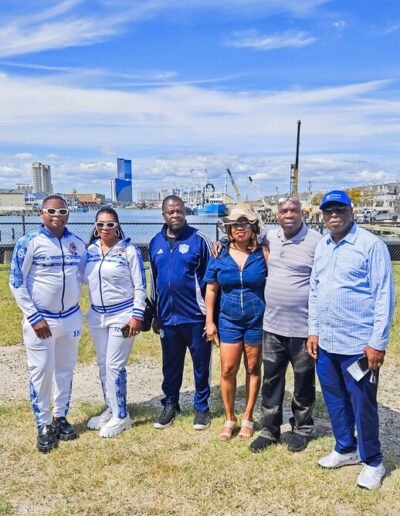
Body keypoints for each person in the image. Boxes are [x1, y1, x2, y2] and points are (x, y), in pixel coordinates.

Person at [307, 190, 395, 490]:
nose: (334, 215)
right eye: (328, 211)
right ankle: (345, 447)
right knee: (334, 399)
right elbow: (315, 291)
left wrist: (377, 343)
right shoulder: (322, 246)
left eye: (340, 210)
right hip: (327, 342)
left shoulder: (371, 245)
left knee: (362, 404)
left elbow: (384, 296)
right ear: (322, 215)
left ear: (351, 211)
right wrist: (313, 330)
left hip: (358, 345)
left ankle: (373, 460)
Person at [9, 196, 87, 453]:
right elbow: (16, 282)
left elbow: (87, 275)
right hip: (41, 320)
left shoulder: (77, 243)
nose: (57, 215)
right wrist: (34, 317)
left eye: (62, 211)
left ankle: (60, 415)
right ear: (41, 213)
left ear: (68, 214)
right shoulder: (28, 242)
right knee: (41, 372)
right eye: (51, 211)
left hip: (71, 317)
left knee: (65, 370)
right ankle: (43, 423)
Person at [250, 196, 322, 453]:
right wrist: (221, 242)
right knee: (271, 381)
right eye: (284, 211)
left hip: (302, 328)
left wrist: (315, 328)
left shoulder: (316, 241)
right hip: (272, 325)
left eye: (293, 210)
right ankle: (270, 429)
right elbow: (244, 235)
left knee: (303, 382)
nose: (289, 214)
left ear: (302, 212)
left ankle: (301, 429)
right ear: (277, 215)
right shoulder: (271, 237)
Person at [149, 195, 212, 430]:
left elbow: (211, 282)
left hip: (195, 317)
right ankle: (171, 404)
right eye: (170, 211)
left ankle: (202, 408)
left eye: (178, 211)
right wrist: (155, 314)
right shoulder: (155, 242)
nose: (175, 215)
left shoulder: (199, 240)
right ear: (163, 214)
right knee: (170, 365)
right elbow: (154, 281)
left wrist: (210, 318)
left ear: (185, 212)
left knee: (201, 366)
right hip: (167, 318)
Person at [205, 203, 267, 440]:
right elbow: (211, 290)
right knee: (228, 369)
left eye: (245, 223)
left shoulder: (263, 253)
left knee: (253, 368)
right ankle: (230, 418)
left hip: (256, 320)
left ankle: (248, 417)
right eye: (235, 224)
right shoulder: (219, 254)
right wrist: (209, 322)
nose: (240, 228)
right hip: (228, 320)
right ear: (229, 229)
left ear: (253, 228)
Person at [84, 207, 146, 437]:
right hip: (97, 316)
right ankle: (111, 407)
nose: (105, 228)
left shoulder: (128, 250)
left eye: (110, 224)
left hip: (122, 315)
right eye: (100, 224)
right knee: (103, 364)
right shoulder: (90, 251)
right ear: (95, 227)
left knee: (114, 365)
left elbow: (140, 285)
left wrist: (137, 315)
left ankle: (122, 415)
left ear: (117, 226)